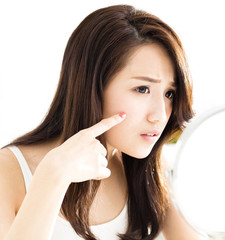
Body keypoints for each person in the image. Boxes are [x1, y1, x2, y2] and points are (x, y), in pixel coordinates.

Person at [0, 4, 199, 240]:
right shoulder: (9, 172)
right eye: (142, 89)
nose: (159, 115)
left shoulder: (143, 170)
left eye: (169, 94)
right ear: (92, 86)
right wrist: (53, 176)